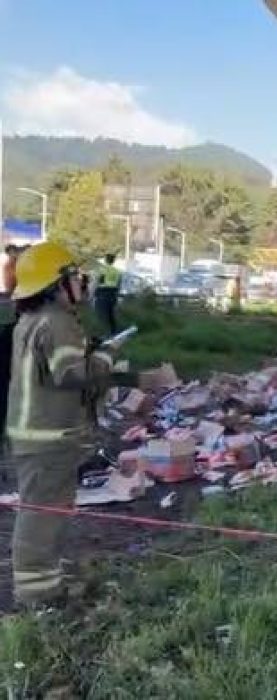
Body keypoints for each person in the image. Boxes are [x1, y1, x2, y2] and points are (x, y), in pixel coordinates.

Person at [6, 241, 132, 608]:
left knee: (46, 508)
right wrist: (107, 355)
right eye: (75, 275)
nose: (84, 281)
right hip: (48, 437)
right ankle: (38, 592)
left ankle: (47, 574)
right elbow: (70, 376)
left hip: (33, 433)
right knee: (42, 512)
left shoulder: (30, 319)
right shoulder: (58, 321)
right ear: (57, 283)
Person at [94, 253, 123, 334]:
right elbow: (119, 284)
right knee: (111, 314)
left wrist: (94, 293)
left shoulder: (102, 269)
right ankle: (114, 331)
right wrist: (117, 294)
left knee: (101, 313)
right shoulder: (118, 271)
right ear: (113, 261)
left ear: (105, 260)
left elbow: (99, 282)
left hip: (103, 292)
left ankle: (103, 332)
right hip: (113, 293)